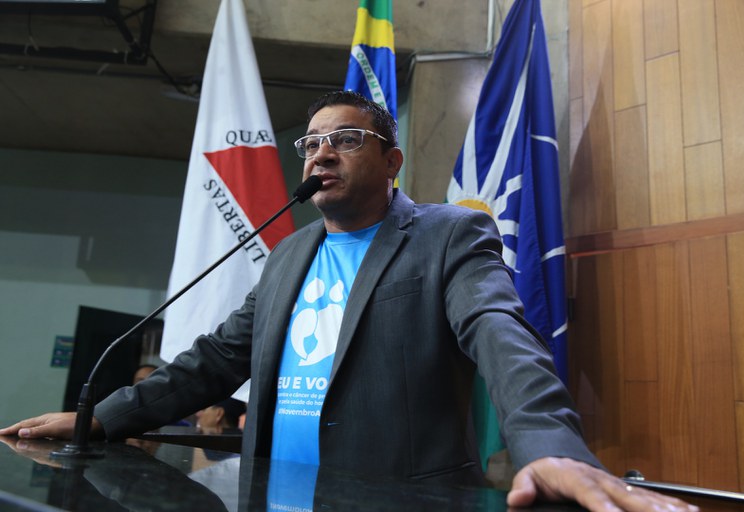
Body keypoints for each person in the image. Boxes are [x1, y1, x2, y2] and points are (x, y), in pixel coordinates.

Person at [0, 91, 697, 512]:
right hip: (273, 495)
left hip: (397, 499)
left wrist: (550, 445)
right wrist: (101, 417)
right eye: (311, 144)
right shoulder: (289, 254)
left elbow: (499, 332)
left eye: (347, 140)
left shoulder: (448, 235)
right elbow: (215, 361)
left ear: (392, 161)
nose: (321, 154)